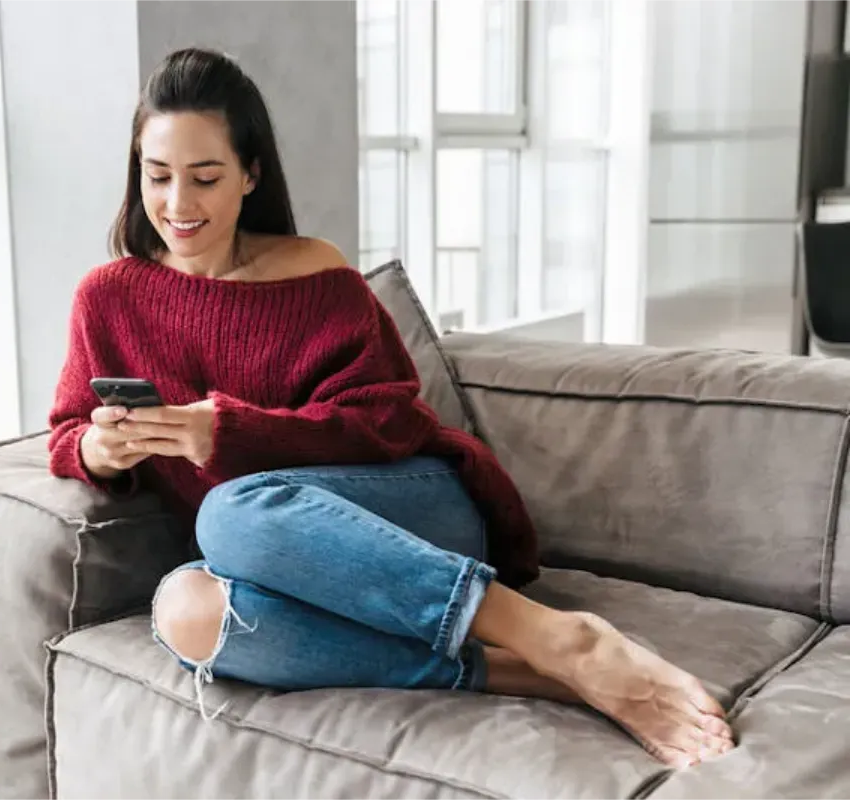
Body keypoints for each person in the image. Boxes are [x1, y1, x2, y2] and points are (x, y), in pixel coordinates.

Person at [48, 47, 733, 768]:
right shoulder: (108, 297)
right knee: (186, 613)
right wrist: (99, 451)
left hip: (412, 515)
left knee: (229, 512)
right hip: (288, 559)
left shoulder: (317, 274)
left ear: (250, 175)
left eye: (206, 176)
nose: (179, 205)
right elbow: (67, 431)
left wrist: (227, 434)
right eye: (158, 176)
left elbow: (390, 424)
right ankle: (516, 671)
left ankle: (563, 638)